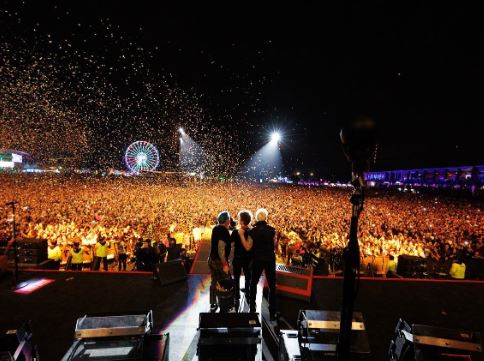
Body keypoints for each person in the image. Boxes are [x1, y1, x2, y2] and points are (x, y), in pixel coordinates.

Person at [239, 208, 277, 320]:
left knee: (253, 283)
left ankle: (252, 307)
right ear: (266, 218)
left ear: (256, 218)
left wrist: (241, 235)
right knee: (272, 285)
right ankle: (272, 312)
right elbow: (274, 246)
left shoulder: (252, 231)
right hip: (269, 259)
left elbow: (247, 247)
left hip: (257, 260)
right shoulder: (272, 230)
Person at [208, 211, 233, 313]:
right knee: (225, 281)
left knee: (214, 281)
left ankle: (213, 303)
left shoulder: (216, 228)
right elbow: (221, 249)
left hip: (211, 259)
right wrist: (225, 264)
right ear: (227, 220)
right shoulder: (224, 232)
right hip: (219, 261)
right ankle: (225, 305)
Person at [231, 210, 253, 310]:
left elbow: (230, 242)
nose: (238, 219)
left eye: (239, 218)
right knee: (248, 275)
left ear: (242, 221)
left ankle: (236, 295)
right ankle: (247, 292)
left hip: (238, 257)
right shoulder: (252, 231)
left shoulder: (236, 232)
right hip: (248, 258)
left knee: (236, 276)